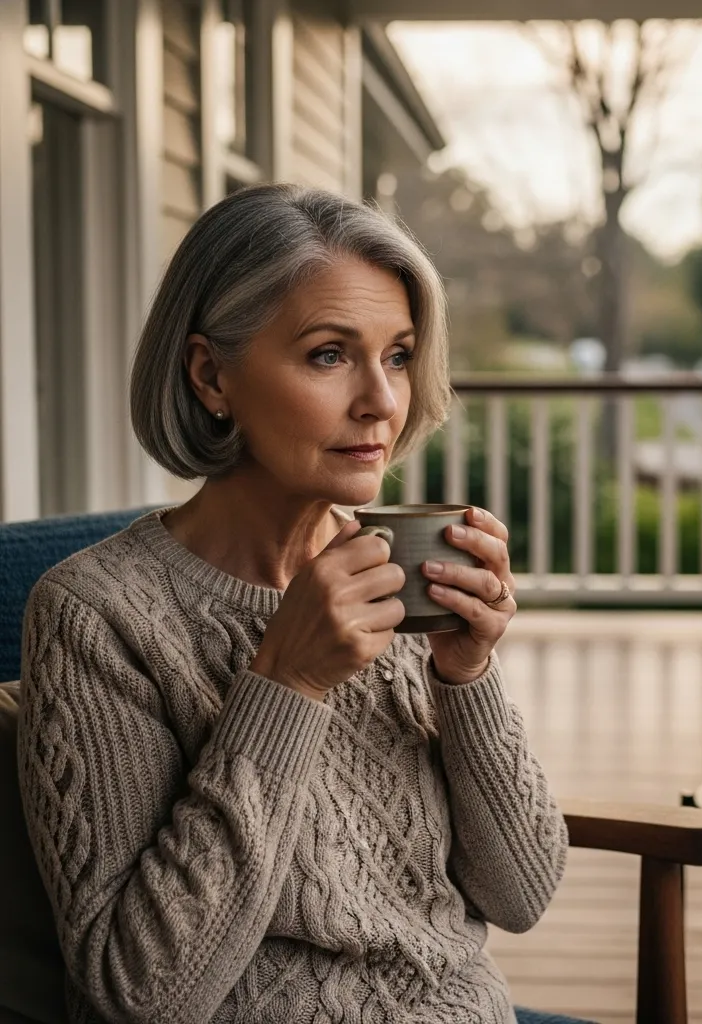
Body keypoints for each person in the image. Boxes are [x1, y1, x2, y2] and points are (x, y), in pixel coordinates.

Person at [17, 184, 578, 1024]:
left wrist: (467, 675)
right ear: (211, 374)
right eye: (328, 355)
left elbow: (523, 894)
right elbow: (140, 995)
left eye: (397, 355)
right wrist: (285, 683)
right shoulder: (97, 615)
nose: (384, 403)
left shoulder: (394, 573)